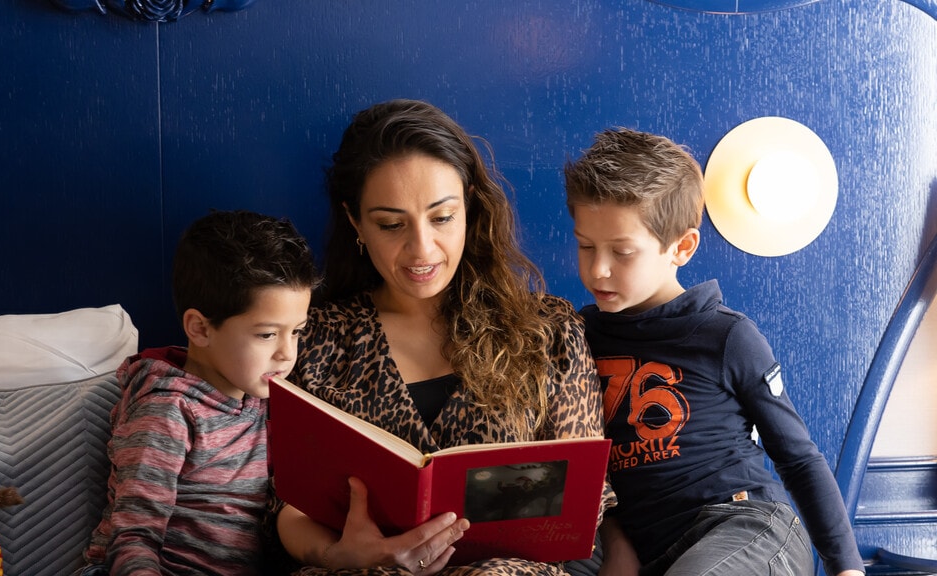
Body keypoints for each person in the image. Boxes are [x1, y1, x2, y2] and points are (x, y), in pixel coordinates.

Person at [268, 98, 614, 576]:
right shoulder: (315, 338)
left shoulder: (546, 330)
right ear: (356, 223)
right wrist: (341, 555)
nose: (422, 249)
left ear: (469, 206)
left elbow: (584, 501)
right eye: (391, 225)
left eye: (442, 217)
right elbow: (285, 503)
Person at [562, 127, 865, 576]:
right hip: (639, 544)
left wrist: (847, 567)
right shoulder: (576, 337)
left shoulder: (725, 336)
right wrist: (616, 539)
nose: (598, 269)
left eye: (622, 252)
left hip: (743, 524)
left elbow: (798, 458)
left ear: (681, 247)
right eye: (586, 246)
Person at [79, 209, 319, 575]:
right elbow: (133, 537)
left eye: (297, 332)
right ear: (200, 329)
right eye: (267, 334)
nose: (287, 353)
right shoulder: (167, 410)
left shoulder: (261, 396)